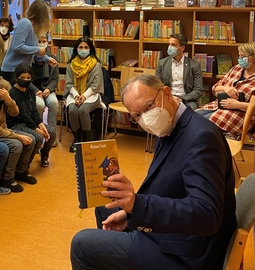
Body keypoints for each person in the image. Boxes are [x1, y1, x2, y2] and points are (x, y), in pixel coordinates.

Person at [70, 74, 237, 270]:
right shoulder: (168, 126)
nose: (146, 118)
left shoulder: (202, 137)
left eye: (148, 107)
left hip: (188, 252)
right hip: (174, 234)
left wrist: (137, 205)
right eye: (137, 116)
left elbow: (206, 215)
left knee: (81, 245)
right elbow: (170, 189)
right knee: (105, 206)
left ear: (166, 93)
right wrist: (131, 214)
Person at [0, 76, 37, 190]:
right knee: (17, 145)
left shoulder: (3, 100)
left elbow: (15, 113)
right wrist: (18, 137)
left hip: (4, 130)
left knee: (32, 139)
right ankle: (7, 179)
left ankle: (20, 171)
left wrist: (8, 100)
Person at [197, 42, 255, 137]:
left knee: (203, 125)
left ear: (253, 57)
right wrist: (226, 88)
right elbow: (215, 88)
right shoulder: (236, 69)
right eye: (239, 56)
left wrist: (238, 105)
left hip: (241, 113)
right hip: (218, 105)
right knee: (193, 118)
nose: (240, 59)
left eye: (243, 56)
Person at [7, 63, 56, 167]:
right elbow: (22, 115)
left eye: (28, 78)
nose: (26, 80)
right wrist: (37, 130)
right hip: (16, 124)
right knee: (38, 137)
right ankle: (24, 167)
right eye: (23, 77)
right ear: (16, 78)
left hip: (28, 122)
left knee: (51, 131)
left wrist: (41, 125)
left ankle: (44, 154)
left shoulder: (30, 90)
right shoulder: (13, 93)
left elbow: (33, 111)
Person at [1, 0, 57, 83]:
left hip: (21, 70)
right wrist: (38, 49)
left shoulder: (33, 28)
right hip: (12, 71)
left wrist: (46, 59)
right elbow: (17, 47)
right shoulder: (25, 23)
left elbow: (30, 52)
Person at [64, 37, 104, 152]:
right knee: (72, 109)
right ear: (76, 49)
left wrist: (84, 96)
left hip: (92, 95)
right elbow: (69, 83)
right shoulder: (70, 64)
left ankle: (86, 140)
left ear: (90, 49)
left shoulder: (96, 65)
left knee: (82, 110)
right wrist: (76, 95)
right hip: (74, 94)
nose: (83, 49)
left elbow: (96, 86)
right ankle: (77, 139)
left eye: (86, 47)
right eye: (80, 47)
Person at [155, 33, 203, 110]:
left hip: (187, 100)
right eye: (169, 44)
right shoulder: (162, 63)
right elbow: (157, 86)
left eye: (173, 45)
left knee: (187, 114)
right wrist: (170, 97)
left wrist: (182, 99)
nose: (170, 47)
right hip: (167, 98)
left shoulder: (194, 65)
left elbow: (198, 90)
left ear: (182, 48)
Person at [31, 34, 59, 147]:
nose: (42, 43)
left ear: (48, 42)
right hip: (34, 91)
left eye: (44, 41)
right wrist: (36, 91)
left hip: (47, 89)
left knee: (54, 103)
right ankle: (38, 135)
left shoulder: (53, 58)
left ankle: (51, 136)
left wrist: (49, 89)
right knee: (39, 105)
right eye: (39, 41)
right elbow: (26, 80)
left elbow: (55, 79)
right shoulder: (29, 59)